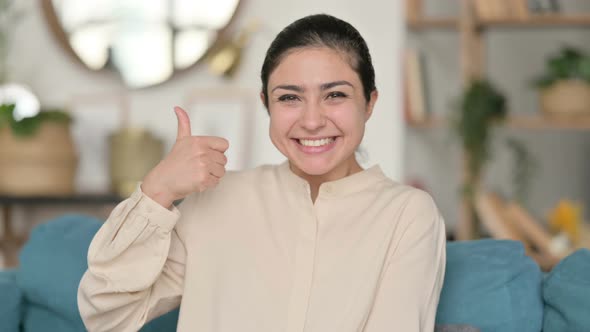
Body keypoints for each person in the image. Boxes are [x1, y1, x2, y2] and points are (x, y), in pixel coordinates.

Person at [77, 13, 446, 332]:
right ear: (266, 104)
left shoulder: (408, 215)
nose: (313, 120)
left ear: (369, 102)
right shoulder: (217, 199)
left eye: (335, 95)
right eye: (289, 97)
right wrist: (157, 190)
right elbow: (107, 314)